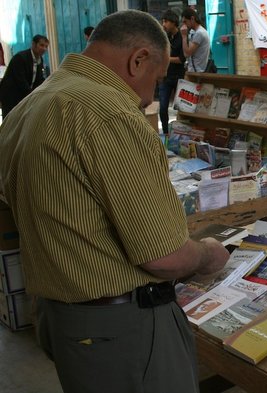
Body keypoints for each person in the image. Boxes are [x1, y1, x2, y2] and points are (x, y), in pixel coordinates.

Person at [0, 10, 229, 393]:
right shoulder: (108, 113)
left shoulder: (31, 105)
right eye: (155, 81)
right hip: (122, 327)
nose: (147, 100)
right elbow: (164, 257)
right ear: (138, 59)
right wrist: (206, 254)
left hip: (62, 315)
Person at [0, 34, 49, 119]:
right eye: (41, 45)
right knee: (10, 122)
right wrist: (32, 95)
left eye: (46, 46)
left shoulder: (39, 59)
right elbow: (20, 81)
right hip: (11, 96)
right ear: (33, 44)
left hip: (24, 96)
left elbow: (39, 79)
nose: (44, 49)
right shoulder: (21, 58)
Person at [159, 9, 186, 135]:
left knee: (183, 108)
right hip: (166, 77)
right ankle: (166, 134)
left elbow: (181, 59)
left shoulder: (182, 37)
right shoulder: (165, 36)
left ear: (174, 22)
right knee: (163, 108)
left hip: (179, 77)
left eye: (166, 21)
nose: (163, 24)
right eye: (162, 21)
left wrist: (166, 58)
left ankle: (182, 134)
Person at [180, 8, 210, 72]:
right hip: (194, 70)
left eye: (185, 22)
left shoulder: (199, 33)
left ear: (192, 19)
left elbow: (187, 54)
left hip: (197, 72)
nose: (184, 25)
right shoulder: (194, 32)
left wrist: (184, 36)